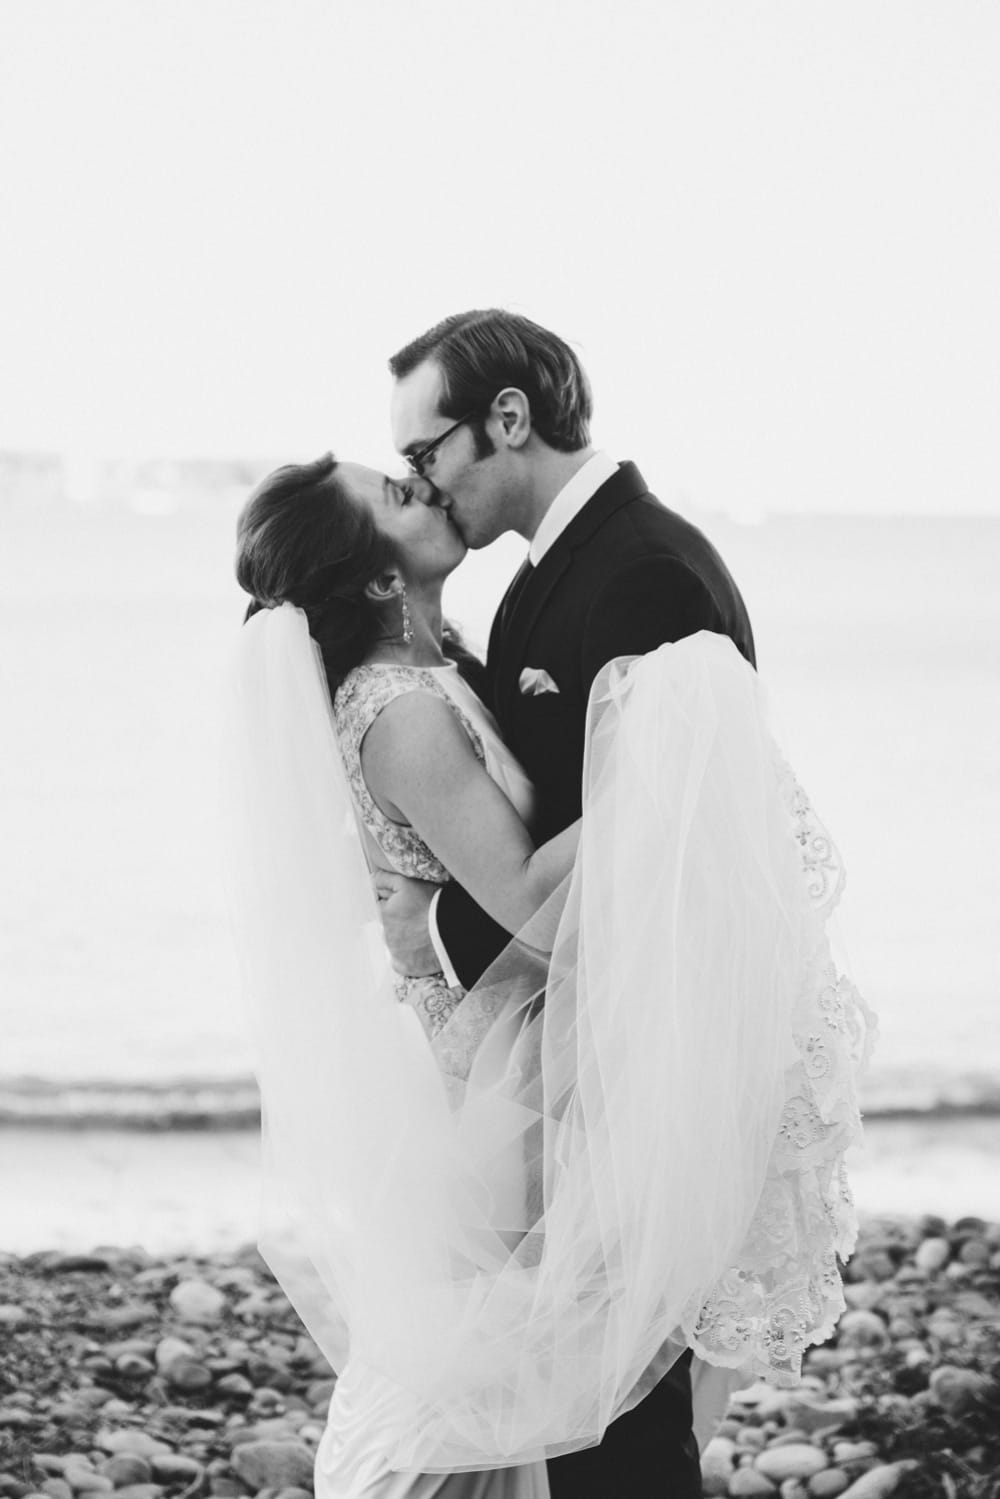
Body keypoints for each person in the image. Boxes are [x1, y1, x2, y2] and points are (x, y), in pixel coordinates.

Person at [223, 434, 874, 1499]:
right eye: (397, 491)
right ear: (382, 575)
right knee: (520, 1359)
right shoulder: (400, 708)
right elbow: (527, 904)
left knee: (567, 1353)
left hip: (532, 1050)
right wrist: (661, 766)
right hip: (502, 1085)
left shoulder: (437, 670)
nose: (424, 484)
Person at [382, 310, 756, 1496]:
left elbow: (670, 839)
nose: (421, 481)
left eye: (425, 449)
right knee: (586, 1399)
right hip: (577, 1043)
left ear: (506, 418)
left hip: (642, 1048)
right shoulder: (547, 577)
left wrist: (436, 932)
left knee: (626, 1407)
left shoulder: (645, 573)